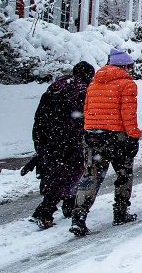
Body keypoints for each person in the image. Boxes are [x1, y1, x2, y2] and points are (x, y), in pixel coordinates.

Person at [71, 49, 142, 236]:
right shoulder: (127, 85)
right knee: (124, 174)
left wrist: (90, 132)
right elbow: (129, 115)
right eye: (130, 67)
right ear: (124, 66)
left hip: (94, 136)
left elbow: (86, 111)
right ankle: (120, 212)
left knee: (91, 175)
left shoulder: (94, 84)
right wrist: (134, 136)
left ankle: (78, 217)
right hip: (117, 137)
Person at [26, 62, 95, 229]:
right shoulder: (81, 90)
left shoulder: (54, 87)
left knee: (54, 171)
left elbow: (40, 114)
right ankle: (45, 212)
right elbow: (80, 116)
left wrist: (39, 139)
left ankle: (69, 204)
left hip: (48, 136)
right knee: (71, 172)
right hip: (69, 138)